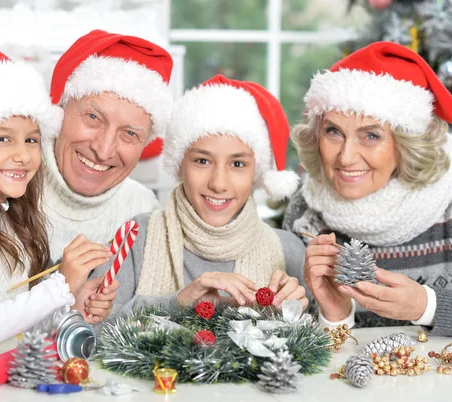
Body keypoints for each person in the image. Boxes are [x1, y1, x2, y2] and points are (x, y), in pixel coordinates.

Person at [0, 30, 174, 354]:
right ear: (61, 110)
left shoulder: (143, 213)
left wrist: (73, 309)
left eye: (130, 133)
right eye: (93, 117)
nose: (103, 148)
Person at [283, 41, 452, 338]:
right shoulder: (307, 210)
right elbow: (291, 339)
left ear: (407, 143)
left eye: (370, 135)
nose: (346, 157)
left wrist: (426, 306)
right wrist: (335, 316)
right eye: (333, 132)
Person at [90, 74, 307, 319]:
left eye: (237, 164)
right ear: (180, 164)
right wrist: (178, 302)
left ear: (256, 172)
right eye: (202, 161)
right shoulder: (135, 236)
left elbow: (324, 344)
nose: (218, 184)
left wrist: (293, 315)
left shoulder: (288, 251)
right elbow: (91, 332)